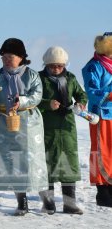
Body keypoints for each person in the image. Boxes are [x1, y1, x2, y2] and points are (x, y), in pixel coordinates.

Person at [0, 38, 48, 216]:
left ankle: (46, 199)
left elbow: (37, 95)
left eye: (10, 57)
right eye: (3, 57)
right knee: (12, 161)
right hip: (5, 122)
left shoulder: (31, 74)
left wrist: (22, 101)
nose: (6, 60)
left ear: (21, 57)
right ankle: (22, 202)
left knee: (33, 161)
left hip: (29, 122)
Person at [38, 46, 87, 214]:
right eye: (52, 66)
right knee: (47, 165)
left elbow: (81, 94)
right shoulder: (39, 79)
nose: (56, 69)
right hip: (47, 127)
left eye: (59, 66)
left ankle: (70, 204)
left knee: (68, 166)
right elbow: (34, 99)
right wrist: (47, 104)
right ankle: (48, 204)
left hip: (67, 127)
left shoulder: (71, 78)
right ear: (46, 64)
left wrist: (81, 103)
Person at [82, 32, 112, 207]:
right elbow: (91, 92)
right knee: (100, 152)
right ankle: (102, 191)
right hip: (101, 115)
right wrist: (108, 95)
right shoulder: (93, 66)